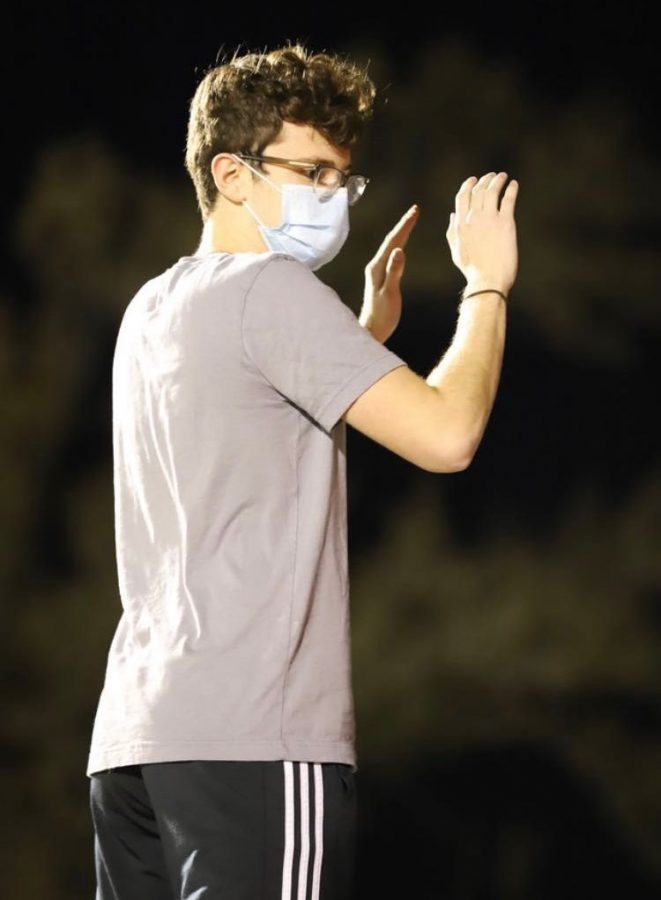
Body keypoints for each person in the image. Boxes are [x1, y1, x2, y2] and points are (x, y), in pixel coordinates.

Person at [87, 41, 518, 900]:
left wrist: (359, 339)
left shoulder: (154, 305)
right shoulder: (272, 294)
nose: (331, 198)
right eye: (312, 171)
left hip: (137, 747)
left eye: (341, 180)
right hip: (256, 737)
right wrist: (486, 288)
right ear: (232, 173)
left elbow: (252, 430)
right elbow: (447, 436)